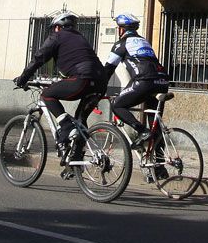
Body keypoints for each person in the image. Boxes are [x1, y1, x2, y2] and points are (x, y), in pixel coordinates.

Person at [13, 11, 104, 159]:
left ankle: (66, 126)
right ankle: (75, 159)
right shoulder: (80, 38)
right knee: (81, 121)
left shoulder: (57, 36)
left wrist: (23, 78)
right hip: (100, 82)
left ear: (57, 27)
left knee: (47, 95)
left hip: (82, 79)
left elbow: (39, 58)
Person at [102, 13, 169, 148]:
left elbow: (108, 69)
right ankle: (159, 166)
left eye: (118, 28)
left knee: (117, 105)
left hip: (145, 81)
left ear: (122, 29)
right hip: (162, 81)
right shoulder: (144, 41)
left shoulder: (121, 44)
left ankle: (141, 131)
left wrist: (98, 88)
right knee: (155, 127)